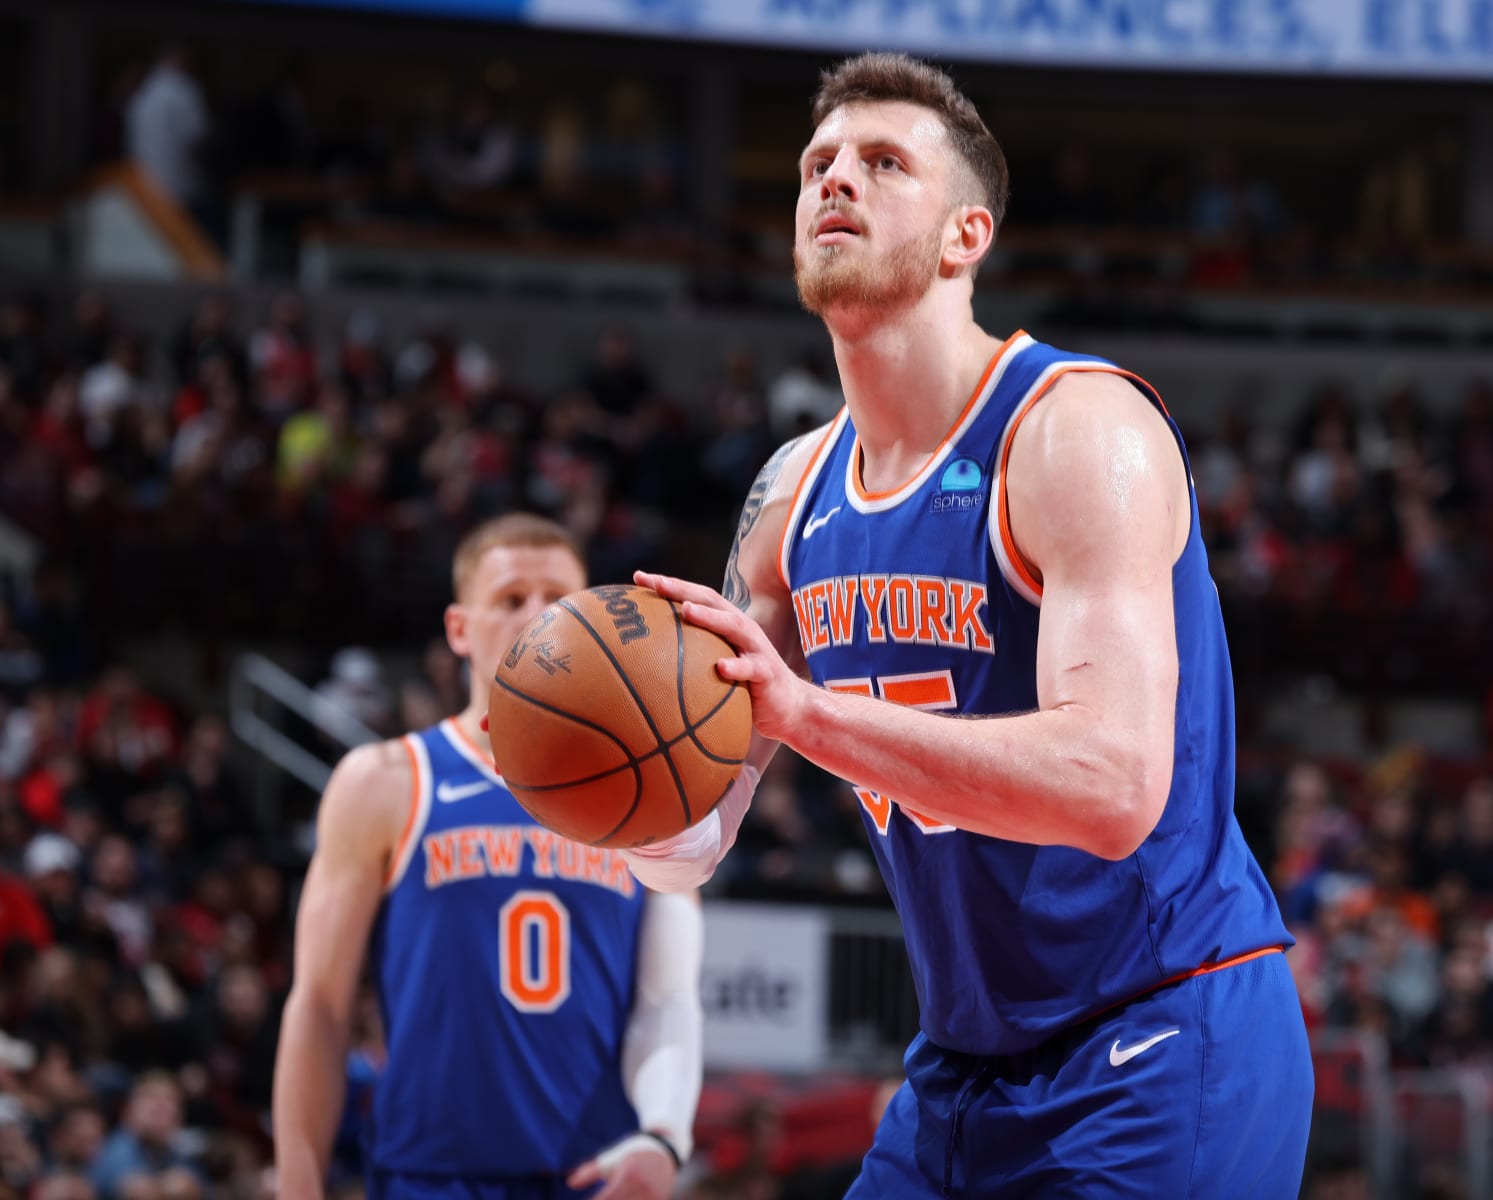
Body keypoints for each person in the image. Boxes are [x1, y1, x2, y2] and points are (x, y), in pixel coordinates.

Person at [624, 52, 1312, 1197]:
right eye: (818, 164)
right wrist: (600, 783)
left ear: (965, 237)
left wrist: (801, 712)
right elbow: (689, 852)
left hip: (1160, 1029)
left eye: (884, 163)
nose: (836, 180)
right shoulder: (791, 497)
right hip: (963, 1063)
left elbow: (1109, 784)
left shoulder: (1075, 430)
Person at [274, 513, 700, 1200]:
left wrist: (665, 1134)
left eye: (557, 598)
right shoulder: (386, 780)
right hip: (431, 1175)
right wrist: (298, 1188)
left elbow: (670, 999)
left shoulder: (647, 794)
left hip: (595, 1174)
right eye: (509, 599)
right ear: (458, 630)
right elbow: (319, 1007)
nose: (536, 614)